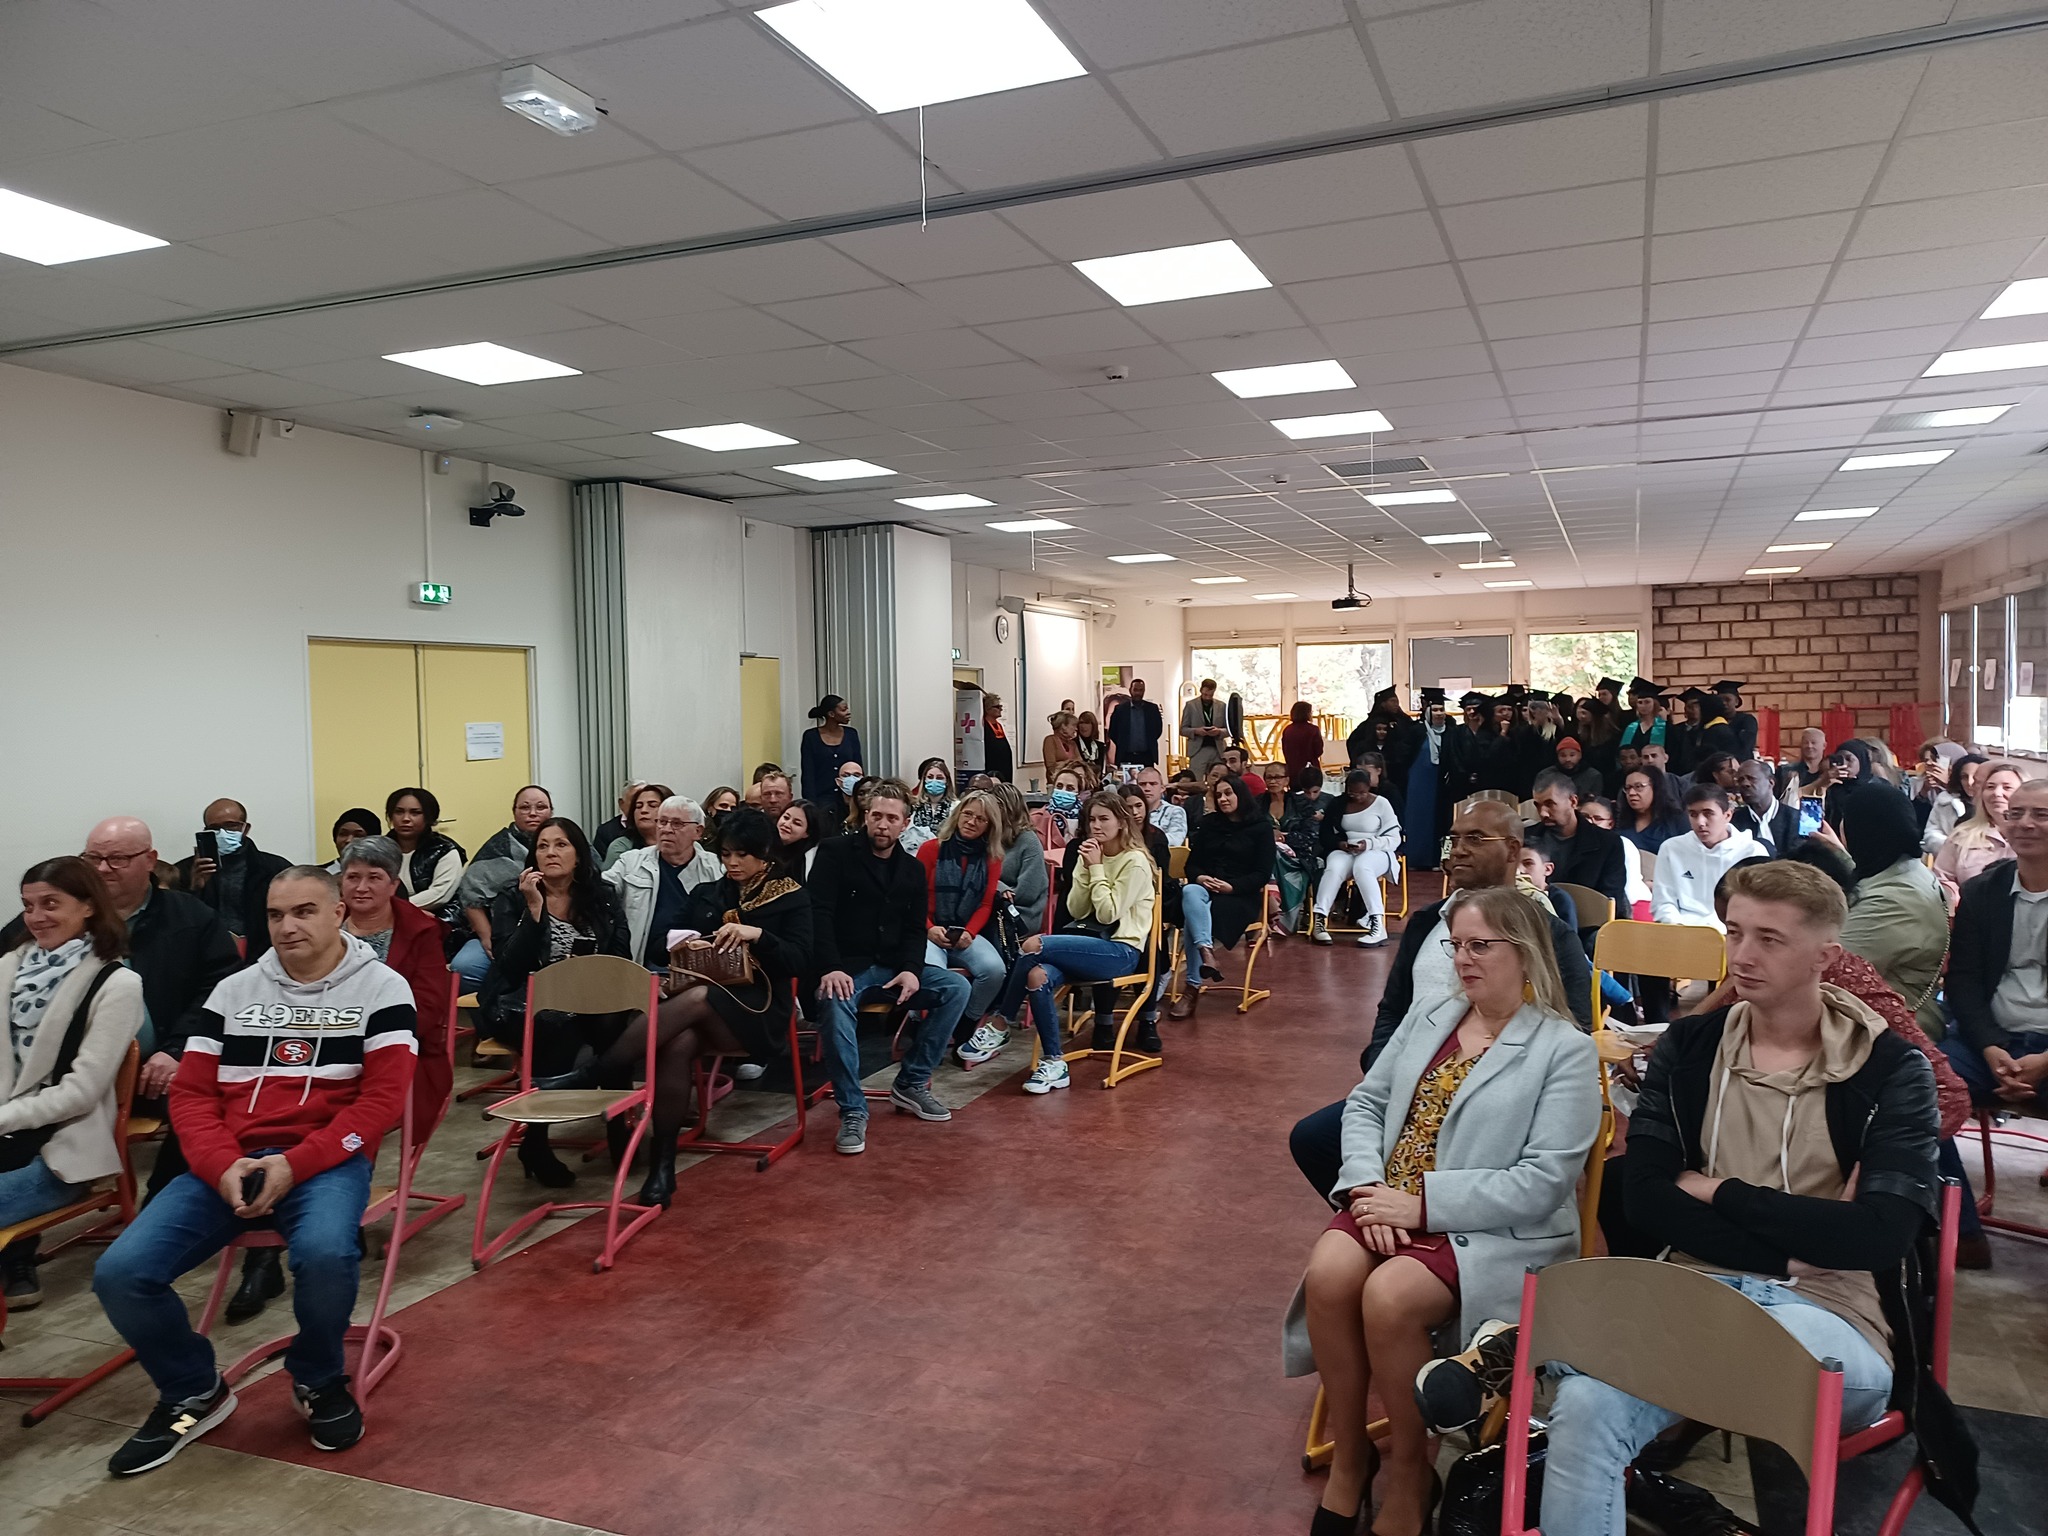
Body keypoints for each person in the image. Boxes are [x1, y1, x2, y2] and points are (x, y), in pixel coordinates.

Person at [1542, 861, 1955, 1536]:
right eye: (1734, 932)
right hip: (1704, 1290)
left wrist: (1716, 1190)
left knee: (1598, 1355)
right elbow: (1643, 1197)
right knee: (1585, 1404)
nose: (1742, 956)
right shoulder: (1690, 1046)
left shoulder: (1890, 1071)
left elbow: (1877, 1238)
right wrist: (1798, 1247)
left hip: (1832, 1319)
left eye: (1770, 939)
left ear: (1826, 956)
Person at [1289, 884, 1600, 1536]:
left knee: (1390, 1297)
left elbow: (1542, 1184)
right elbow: (1367, 1105)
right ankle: (1352, 1459)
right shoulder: (1433, 1014)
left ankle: (1408, 1468)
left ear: (1524, 951)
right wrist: (1363, 1186)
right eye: (1455, 944)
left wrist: (1422, 1205)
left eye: (1479, 945)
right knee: (1328, 1272)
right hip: (1391, 1195)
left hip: (1489, 1228)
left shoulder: (1563, 1049)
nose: (1463, 959)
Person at [93, 866, 417, 1474]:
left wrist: (296, 1165)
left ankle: (319, 1378)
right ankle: (193, 1388)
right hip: (228, 1161)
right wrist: (220, 1164)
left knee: (325, 1252)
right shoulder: (234, 991)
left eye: (303, 912)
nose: (287, 927)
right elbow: (190, 1096)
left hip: (325, 1163)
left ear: (338, 914)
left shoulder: (383, 989)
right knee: (120, 1272)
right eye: (275, 915)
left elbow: (381, 1102)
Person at [1290, 801, 1598, 1201]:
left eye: (1475, 838)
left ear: (1511, 850)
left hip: (1497, 1091)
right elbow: (1393, 1009)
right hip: (1412, 1075)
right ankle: (1388, 1223)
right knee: (1315, 1138)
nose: (1459, 849)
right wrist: (1384, 1067)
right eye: (1454, 839)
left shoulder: (1548, 934)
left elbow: (1575, 1024)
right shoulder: (1426, 922)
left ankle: (1432, 1227)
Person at [212, 836, 450, 1327]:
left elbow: (426, 1011)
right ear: (339, 890)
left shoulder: (420, 930)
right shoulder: (297, 930)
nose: (362, 886)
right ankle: (266, 1257)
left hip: (400, 1056)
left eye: (374, 877)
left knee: (355, 1107)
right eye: (353, 876)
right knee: (266, 1112)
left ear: (393, 884)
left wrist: (361, 1030)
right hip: (303, 1061)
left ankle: (328, 1210)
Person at [540, 809, 811, 1208]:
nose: (732, 864)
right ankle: (662, 1166)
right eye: (726, 855)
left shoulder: (791, 896)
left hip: (758, 1012)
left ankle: (598, 1071)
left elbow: (803, 960)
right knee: (678, 1041)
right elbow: (656, 946)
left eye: (742, 856)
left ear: (765, 854)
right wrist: (685, 944)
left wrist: (758, 936)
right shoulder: (708, 894)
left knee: (698, 1000)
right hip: (697, 1006)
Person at [0, 860, 145, 1313]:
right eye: (27, 906)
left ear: (87, 906)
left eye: (50, 904)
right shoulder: (7, 967)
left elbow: (81, 1092)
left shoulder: (117, 982)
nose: (36, 916)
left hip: (61, 1147)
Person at [79, 819, 243, 1202]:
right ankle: (19, 1248)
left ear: (150, 860)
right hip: (79, 1073)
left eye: (117, 858)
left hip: (160, 1069)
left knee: (212, 1106)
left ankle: (162, 1203)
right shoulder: (63, 917)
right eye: (94, 858)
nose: (103, 869)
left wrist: (176, 1051)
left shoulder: (191, 916)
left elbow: (221, 988)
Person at [809, 784, 970, 1152]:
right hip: (846, 966)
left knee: (956, 988)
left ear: (905, 823)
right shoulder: (835, 853)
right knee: (835, 1005)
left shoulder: (912, 869)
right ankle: (852, 1109)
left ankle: (911, 1082)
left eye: (891, 818)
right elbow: (817, 915)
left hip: (895, 965)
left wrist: (913, 969)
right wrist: (831, 967)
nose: (882, 824)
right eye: (876, 816)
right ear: (865, 817)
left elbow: (915, 928)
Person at [476, 818, 633, 1187]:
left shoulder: (603, 894)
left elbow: (619, 956)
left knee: (615, 1022)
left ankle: (617, 1124)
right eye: (543, 846)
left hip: (587, 997)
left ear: (578, 855)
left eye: (561, 845)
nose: (550, 853)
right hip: (520, 1004)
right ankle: (536, 1141)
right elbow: (510, 966)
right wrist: (534, 911)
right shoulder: (512, 897)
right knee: (555, 1024)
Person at [990, 793, 1157, 1093]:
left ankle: (1001, 1022)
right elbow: (1078, 910)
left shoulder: (1135, 862)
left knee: (1033, 945)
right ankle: (1055, 1062)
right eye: (1091, 819)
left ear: (1121, 823)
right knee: (1036, 975)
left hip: (1121, 951)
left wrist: (1096, 869)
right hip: (1087, 945)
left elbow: (1107, 913)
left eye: (1104, 819)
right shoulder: (1090, 854)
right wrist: (1085, 868)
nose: (1096, 826)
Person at [1817, 783, 1950, 1043]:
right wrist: (1842, 855)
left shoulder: (1895, 901)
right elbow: (1874, 879)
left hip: (1892, 1027)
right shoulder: (1904, 867)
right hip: (1865, 1013)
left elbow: (1826, 969)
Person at [1169, 774, 1276, 1017]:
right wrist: (1200, 878)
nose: (1223, 799)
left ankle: (1192, 988)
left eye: (1228, 793)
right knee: (1190, 891)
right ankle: (1207, 952)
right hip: (1205, 889)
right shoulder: (1210, 824)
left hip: (1239, 895)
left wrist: (1232, 887)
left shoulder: (1261, 827)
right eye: (1218, 795)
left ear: (1241, 794)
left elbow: (1261, 874)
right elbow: (1193, 864)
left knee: (1192, 920)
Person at [916, 792, 1010, 1034]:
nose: (972, 821)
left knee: (994, 970)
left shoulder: (992, 858)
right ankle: (926, 1026)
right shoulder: (930, 850)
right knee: (933, 973)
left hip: (964, 931)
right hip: (929, 929)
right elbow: (912, 900)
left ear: (990, 826)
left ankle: (965, 1022)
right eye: (967, 814)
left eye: (981, 819)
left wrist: (970, 932)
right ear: (957, 816)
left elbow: (986, 904)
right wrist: (929, 929)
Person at [449, 785, 554, 989]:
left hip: (558, 927)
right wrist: (488, 939)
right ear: (514, 812)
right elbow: (471, 898)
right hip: (503, 930)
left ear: (551, 811)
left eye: (541, 807)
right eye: (524, 807)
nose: (532, 813)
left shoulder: (569, 841)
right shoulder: (497, 848)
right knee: (464, 967)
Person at [604, 794, 721, 969]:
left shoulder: (716, 868)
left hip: (698, 965)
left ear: (698, 831)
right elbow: (601, 890)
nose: (666, 829)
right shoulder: (631, 862)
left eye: (677, 824)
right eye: (662, 822)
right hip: (641, 964)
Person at [176, 799, 291, 955]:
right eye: (215, 828)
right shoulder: (183, 870)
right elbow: (175, 922)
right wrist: (195, 888)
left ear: (245, 828)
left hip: (266, 955)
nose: (223, 833)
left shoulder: (276, 868)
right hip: (206, 956)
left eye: (231, 826)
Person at [1310, 768, 1403, 949]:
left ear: (1369, 787)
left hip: (1377, 850)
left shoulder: (1382, 804)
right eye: (1352, 792)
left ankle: (1377, 924)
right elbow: (1326, 834)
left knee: (1363, 866)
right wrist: (1341, 844)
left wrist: (1368, 844)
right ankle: (1320, 919)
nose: (1358, 797)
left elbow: (1394, 839)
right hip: (1346, 849)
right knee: (1334, 867)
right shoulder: (1338, 804)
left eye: (1362, 792)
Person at [1651, 784, 1763, 930]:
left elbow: (1757, 905)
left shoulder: (1752, 851)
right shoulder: (1671, 848)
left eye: (1708, 813)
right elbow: (1663, 902)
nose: (1700, 822)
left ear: (1727, 815)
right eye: (1693, 814)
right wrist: (1676, 928)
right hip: (1680, 931)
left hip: (1730, 931)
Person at [1528, 769, 1630, 928]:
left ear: (1573, 802)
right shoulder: (1527, 839)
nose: (1543, 813)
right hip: (1535, 923)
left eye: (1550, 804)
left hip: (1591, 928)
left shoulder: (1608, 843)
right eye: (1538, 805)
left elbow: (1611, 897)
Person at [1934, 759, 2023, 901]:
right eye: (1990, 787)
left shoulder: (2036, 835)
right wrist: (1954, 897)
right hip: (1970, 912)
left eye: (2007, 787)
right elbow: (1942, 878)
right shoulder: (1962, 834)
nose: (1997, 793)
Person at [383, 788, 464, 911]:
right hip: (382, 917)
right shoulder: (378, 849)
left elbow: (440, 894)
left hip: (435, 918)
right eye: (399, 812)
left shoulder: (444, 850)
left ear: (429, 817)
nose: (406, 818)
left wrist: (393, 908)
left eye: (415, 813)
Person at [799, 695, 864, 807]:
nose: (848, 712)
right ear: (831, 714)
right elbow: (808, 774)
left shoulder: (851, 734)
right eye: (843, 709)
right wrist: (810, 805)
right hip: (821, 800)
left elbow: (858, 767)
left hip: (847, 799)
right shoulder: (811, 737)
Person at [1731, 757, 1802, 856]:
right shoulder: (1735, 820)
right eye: (1740, 780)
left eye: (1751, 778)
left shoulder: (1795, 818)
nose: (1745, 784)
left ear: (1771, 783)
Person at [599, 783, 670, 870]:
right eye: (638, 806)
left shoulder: (684, 842)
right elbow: (607, 882)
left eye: (652, 805)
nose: (643, 810)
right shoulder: (621, 846)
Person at [1913, 740, 1968, 851]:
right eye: (1926, 761)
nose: (1929, 764)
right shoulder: (1920, 783)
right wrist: (1923, 793)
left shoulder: (1969, 787)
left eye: (1935, 760)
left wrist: (1949, 786)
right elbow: (1916, 822)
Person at [1619, 766, 1687, 854]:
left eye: (1639, 786)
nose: (1631, 793)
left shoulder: (1676, 820)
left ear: (1655, 787)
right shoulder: (1620, 821)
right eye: (1628, 788)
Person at [1105, 678, 1164, 770]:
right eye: (1135, 690)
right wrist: (1122, 743)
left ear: (1144, 691)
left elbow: (1157, 730)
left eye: (1141, 690)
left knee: (1146, 781)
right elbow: (1113, 732)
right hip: (1126, 756)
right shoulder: (1120, 709)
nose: (1138, 693)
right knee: (1127, 783)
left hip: (1146, 756)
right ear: (1130, 690)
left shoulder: (1152, 709)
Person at [1180, 679, 1229, 777]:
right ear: (1201, 690)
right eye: (1205, 694)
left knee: (1219, 779)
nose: (1207, 697)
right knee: (1196, 779)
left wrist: (1219, 731)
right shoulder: (1191, 705)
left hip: (1218, 750)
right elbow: (1183, 729)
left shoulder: (1222, 706)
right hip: (1198, 749)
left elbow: (1229, 730)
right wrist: (1196, 731)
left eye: (1210, 695)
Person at [1133, 766, 1187, 848]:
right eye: (1142, 784)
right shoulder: (1130, 811)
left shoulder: (1175, 811)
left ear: (1162, 788)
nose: (1147, 788)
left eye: (1153, 784)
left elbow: (1176, 840)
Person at [1036, 764, 1089, 849]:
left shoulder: (1086, 818)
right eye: (1059, 786)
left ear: (1078, 792)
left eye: (1070, 788)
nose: (1063, 791)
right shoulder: (1037, 818)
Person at [776, 801, 827, 880]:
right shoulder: (764, 846)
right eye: (786, 818)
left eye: (797, 823)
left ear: (807, 833)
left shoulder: (804, 864)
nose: (786, 824)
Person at [909, 758, 956, 839]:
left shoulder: (956, 807)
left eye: (939, 778)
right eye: (930, 777)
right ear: (924, 780)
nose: (934, 781)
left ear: (947, 781)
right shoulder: (914, 806)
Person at [1281, 701, 1325, 783]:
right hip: (1311, 770)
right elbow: (1319, 751)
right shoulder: (1313, 729)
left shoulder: (1287, 730)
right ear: (1307, 713)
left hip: (1292, 769)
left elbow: (1285, 750)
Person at [1550, 737, 1602, 802]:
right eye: (1563, 755)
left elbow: (1597, 801)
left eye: (1572, 755)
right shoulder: (1548, 774)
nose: (1568, 759)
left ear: (1579, 755)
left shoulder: (1594, 776)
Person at [981, 692, 1014, 783]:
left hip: (1005, 769)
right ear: (987, 709)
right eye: (997, 707)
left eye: (1001, 707)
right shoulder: (983, 726)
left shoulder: (999, 725)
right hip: (992, 770)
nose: (1001, 709)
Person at [1038, 709, 1082, 776]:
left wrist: (1064, 763)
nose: (1076, 729)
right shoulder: (1050, 740)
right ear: (1063, 726)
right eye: (1073, 725)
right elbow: (1052, 769)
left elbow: (1081, 764)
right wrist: (1072, 762)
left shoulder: (1073, 743)